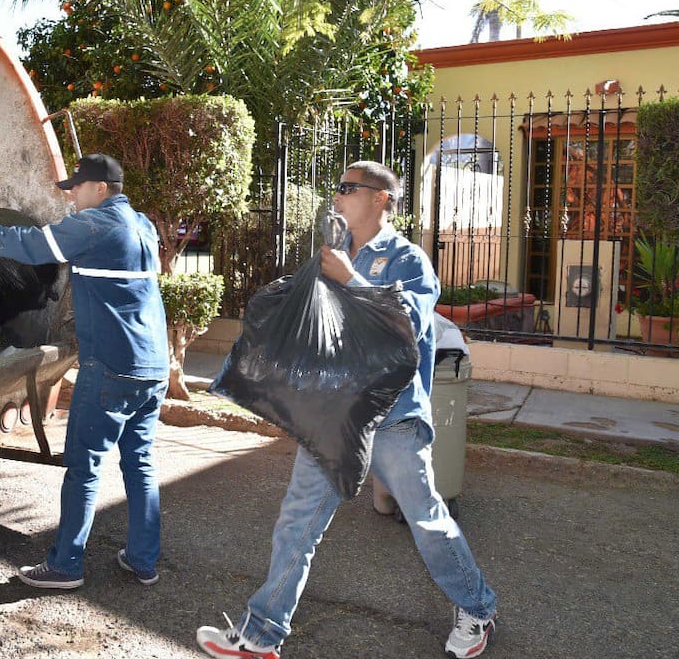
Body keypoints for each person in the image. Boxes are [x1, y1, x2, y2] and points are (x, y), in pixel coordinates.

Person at [196, 161, 498, 659]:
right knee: (298, 520)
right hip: (333, 416)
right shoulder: (334, 253)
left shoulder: (408, 259)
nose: (336, 197)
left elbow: (408, 324)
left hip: (393, 418)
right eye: (336, 189)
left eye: (347, 189)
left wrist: (352, 279)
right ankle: (262, 634)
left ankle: (478, 607)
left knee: (426, 519)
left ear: (380, 198)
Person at [0, 153, 170, 590]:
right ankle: (143, 560)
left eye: (76, 188)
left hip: (112, 366)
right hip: (153, 365)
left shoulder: (94, 225)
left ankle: (65, 565)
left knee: (84, 466)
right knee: (139, 463)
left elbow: (29, 245)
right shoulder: (143, 225)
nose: (71, 196)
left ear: (100, 190)